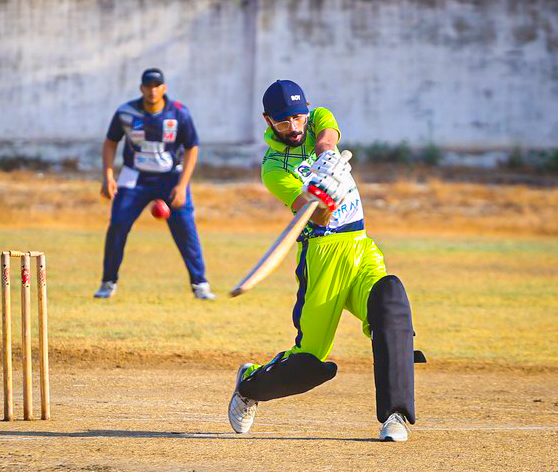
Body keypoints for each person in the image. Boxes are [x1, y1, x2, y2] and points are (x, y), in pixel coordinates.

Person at [227, 80, 424, 441]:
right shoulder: (273, 169)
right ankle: (250, 386)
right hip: (321, 255)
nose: (294, 127)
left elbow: (325, 137)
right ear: (268, 121)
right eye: (283, 122)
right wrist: (323, 197)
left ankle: (395, 415)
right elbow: (315, 217)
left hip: (360, 246)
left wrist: (327, 157)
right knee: (308, 362)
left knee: (390, 306)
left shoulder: (318, 118)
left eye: (298, 118)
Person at [94, 68, 215, 300]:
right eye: (148, 86)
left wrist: (182, 186)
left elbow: (192, 148)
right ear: (141, 88)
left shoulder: (179, 113)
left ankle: (200, 284)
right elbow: (110, 142)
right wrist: (108, 176)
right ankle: (108, 283)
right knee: (117, 224)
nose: (152, 91)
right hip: (135, 176)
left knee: (185, 228)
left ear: (164, 88)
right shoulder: (126, 112)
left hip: (170, 177)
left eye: (156, 86)